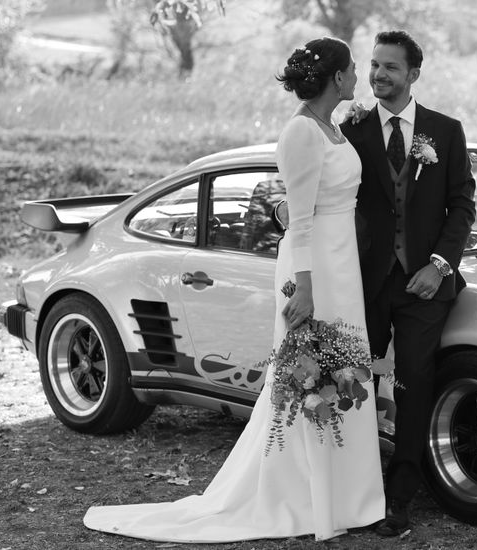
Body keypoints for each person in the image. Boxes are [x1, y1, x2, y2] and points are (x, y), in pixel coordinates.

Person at [82, 37, 385, 543]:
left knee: (345, 370)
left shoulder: (333, 127)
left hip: (342, 267)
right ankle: (305, 496)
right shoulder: (300, 134)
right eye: (352, 68)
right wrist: (306, 290)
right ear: (336, 78)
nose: (358, 76)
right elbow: (301, 222)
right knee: (308, 377)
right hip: (312, 270)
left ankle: (348, 495)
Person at [340, 30, 476, 537]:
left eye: (389, 67)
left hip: (424, 284)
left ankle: (399, 496)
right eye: (374, 65)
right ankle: (353, 485)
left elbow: (462, 204)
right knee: (350, 378)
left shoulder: (445, 130)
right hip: (365, 282)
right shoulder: (351, 131)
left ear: (413, 74)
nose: (378, 75)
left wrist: (440, 264)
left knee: (413, 386)